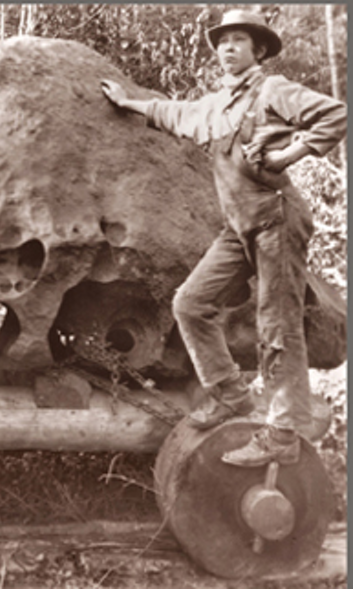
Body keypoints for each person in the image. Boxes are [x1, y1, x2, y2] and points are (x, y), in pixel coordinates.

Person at [100, 9, 346, 467]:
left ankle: (283, 433)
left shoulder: (272, 91)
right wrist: (129, 101)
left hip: (278, 220)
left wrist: (288, 153)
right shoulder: (215, 106)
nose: (227, 48)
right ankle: (230, 395)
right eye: (223, 41)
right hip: (238, 229)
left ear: (259, 51)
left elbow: (333, 114)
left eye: (238, 41)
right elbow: (173, 112)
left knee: (278, 325)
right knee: (190, 304)